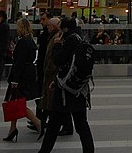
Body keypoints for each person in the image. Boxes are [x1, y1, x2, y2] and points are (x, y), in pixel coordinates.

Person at [38, 18, 94, 153]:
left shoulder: (70, 40)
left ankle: (44, 151)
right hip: (79, 89)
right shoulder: (82, 37)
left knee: (53, 124)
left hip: (65, 91)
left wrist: (57, 45)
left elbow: (59, 60)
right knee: (81, 124)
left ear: (65, 29)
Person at [2, 18, 41, 142]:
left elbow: (19, 62)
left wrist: (15, 80)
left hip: (21, 75)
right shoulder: (30, 41)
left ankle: (38, 123)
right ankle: (12, 128)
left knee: (17, 102)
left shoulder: (23, 42)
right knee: (15, 101)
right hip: (28, 73)